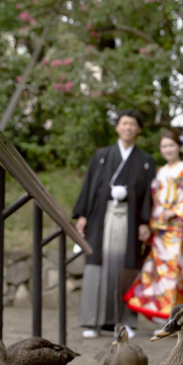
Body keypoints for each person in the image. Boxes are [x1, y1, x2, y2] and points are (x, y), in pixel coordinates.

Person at [73, 109, 156, 338]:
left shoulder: (146, 161)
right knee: (96, 264)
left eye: (133, 124)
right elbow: (89, 186)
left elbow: (148, 195)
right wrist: (83, 214)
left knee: (126, 266)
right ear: (118, 127)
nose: (128, 127)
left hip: (130, 219)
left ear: (138, 130)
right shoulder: (101, 156)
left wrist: (144, 221)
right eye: (124, 123)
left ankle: (125, 321)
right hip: (102, 216)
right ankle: (92, 321)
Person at [124, 129, 183, 323]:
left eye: (171, 145)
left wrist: (175, 211)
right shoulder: (160, 172)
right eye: (164, 146)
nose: (168, 149)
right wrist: (150, 222)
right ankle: (163, 313)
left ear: (179, 147)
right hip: (160, 230)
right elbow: (152, 199)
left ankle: (174, 316)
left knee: (176, 273)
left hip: (179, 230)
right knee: (158, 272)